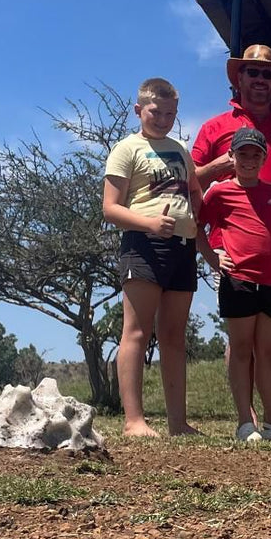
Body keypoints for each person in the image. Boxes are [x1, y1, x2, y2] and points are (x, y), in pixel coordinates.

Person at [100, 77, 204, 438]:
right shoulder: (126, 149)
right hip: (143, 244)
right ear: (139, 110)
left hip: (182, 246)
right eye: (156, 112)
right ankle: (134, 421)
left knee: (175, 335)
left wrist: (197, 216)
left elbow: (193, 188)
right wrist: (149, 223)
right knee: (137, 331)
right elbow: (110, 209)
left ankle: (178, 423)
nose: (162, 119)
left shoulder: (179, 149)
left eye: (170, 113)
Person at [198, 127, 271, 443]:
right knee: (242, 349)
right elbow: (197, 227)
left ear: (263, 158)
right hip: (238, 282)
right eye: (242, 154)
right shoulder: (219, 192)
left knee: (267, 350)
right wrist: (212, 258)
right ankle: (246, 421)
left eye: (255, 154)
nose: (249, 160)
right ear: (231, 157)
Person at [192, 45, 271, 193]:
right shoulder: (212, 127)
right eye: (253, 72)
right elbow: (188, 183)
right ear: (240, 78)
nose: (260, 79)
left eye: (267, 75)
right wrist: (216, 168)